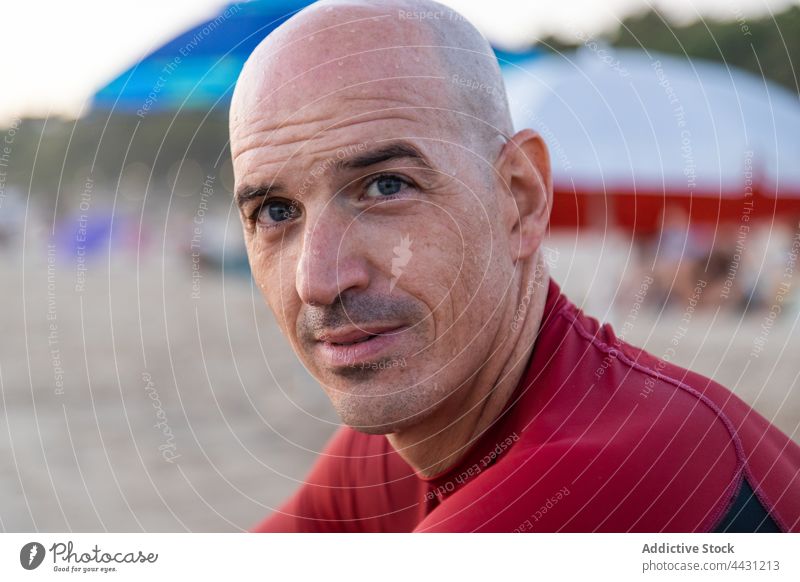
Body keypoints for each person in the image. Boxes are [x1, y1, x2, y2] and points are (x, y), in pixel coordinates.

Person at [228, 0, 800, 532]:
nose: (318, 281)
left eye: (385, 186)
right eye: (276, 211)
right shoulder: (406, 439)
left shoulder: (605, 475)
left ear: (520, 198)